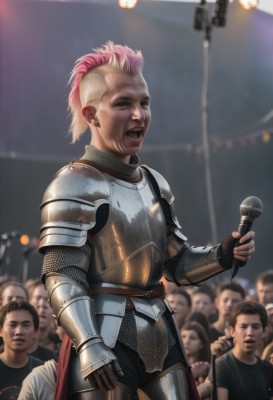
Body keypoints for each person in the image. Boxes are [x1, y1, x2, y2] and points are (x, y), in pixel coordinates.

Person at [39, 41, 255, 399]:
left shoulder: (155, 182)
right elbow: (62, 274)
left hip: (159, 329)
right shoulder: (74, 183)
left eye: (144, 102)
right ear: (92, 114)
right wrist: (90, 343)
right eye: (124, 103)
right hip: (100, 332)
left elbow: (175, 263)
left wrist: (222, 254)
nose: (139, 114)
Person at [207, 301, 273, 400]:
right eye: (243, 327)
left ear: (264, 331)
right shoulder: (222, 367)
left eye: (255, 327)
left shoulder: (267, 368)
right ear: (232, 331)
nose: (250, 333)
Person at [0, 301, 43, 397]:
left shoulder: (42, 373)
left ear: (36, 332)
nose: (19, 331)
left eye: (26, 325)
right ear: (1, 330)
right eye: (13, 325)